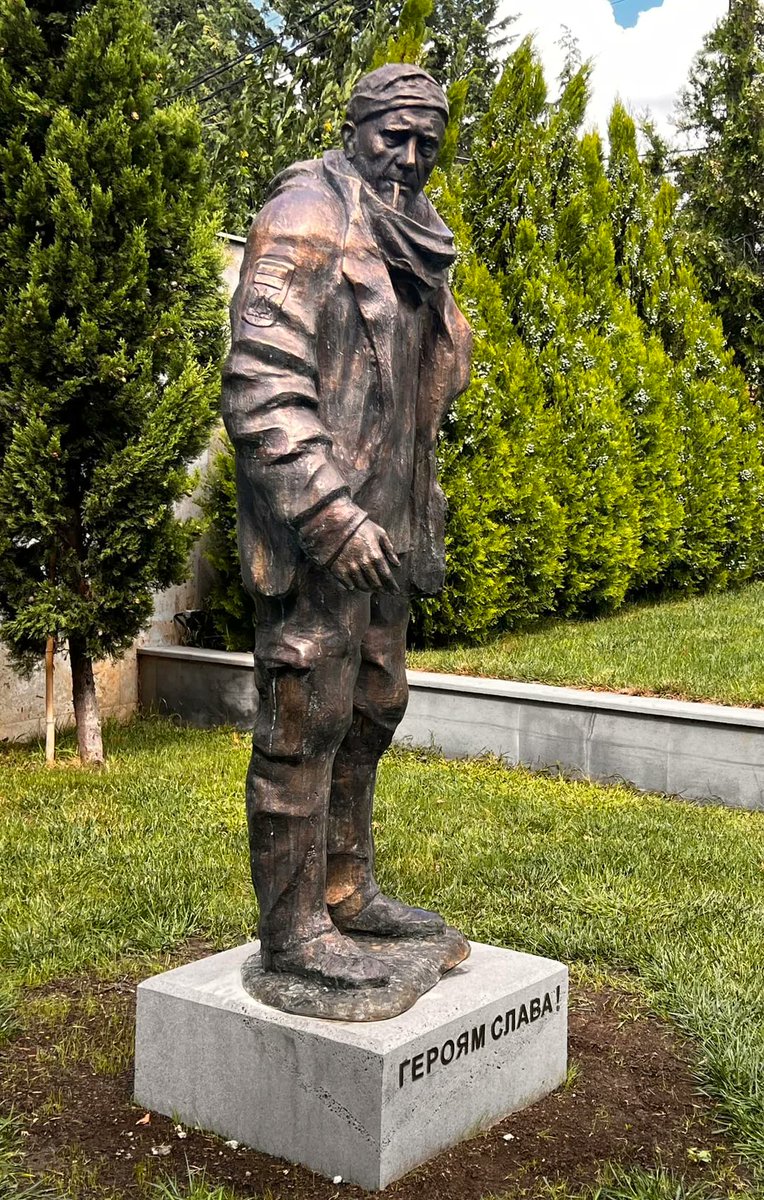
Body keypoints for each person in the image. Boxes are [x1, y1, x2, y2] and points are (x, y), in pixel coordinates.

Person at [222, 63, 472, 990]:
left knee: (372, 709)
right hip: (323, 538)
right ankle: (292, 936)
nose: (408, 159)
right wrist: (328, 511)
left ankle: (345, 890)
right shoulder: (307, 213)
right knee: (304, 722)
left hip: (393, 537)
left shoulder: (415, 238)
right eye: (391, 137)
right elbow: (261, 378)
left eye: (425, 144)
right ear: (355, 127)